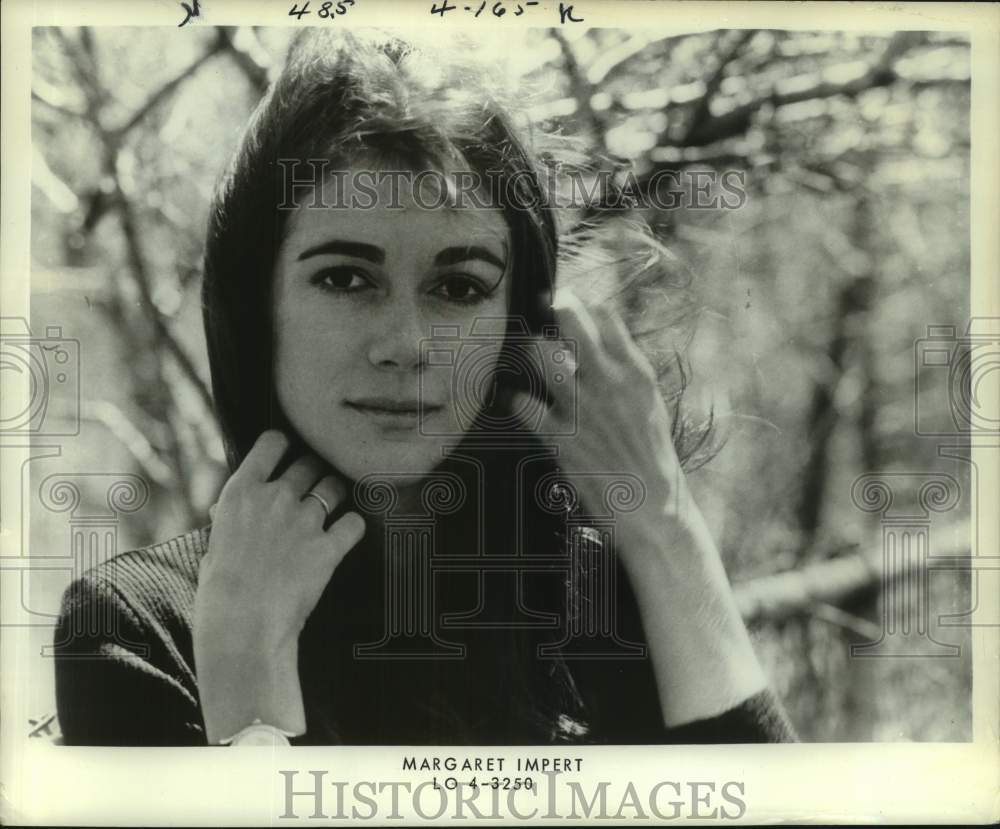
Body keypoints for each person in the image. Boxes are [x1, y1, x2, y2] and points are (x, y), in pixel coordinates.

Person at [53, 28, 797, 746]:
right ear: (256, 306)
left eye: (459, 287)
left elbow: (771, 809)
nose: (406, 345)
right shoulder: (139, 628)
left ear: (517, 323)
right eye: (345, 279)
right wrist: (249, 680)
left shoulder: (609, 596)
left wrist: (667, 531)